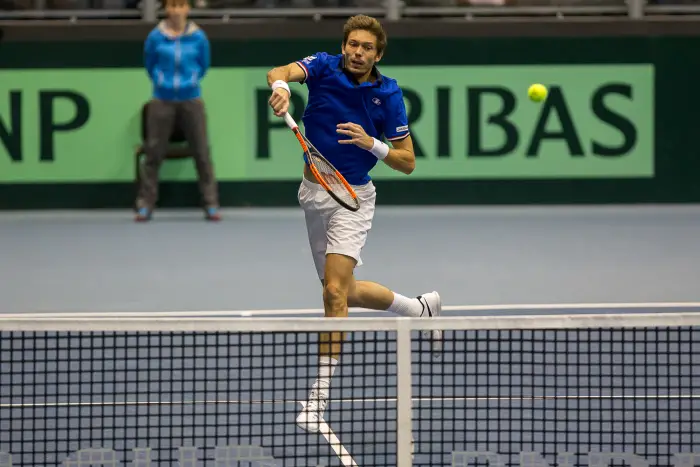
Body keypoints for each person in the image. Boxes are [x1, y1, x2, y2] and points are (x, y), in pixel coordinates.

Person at [266, 14, 443, 433]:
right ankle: (419, 309)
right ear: (344, 45)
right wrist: (280, 89)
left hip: (353, 199)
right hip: (313, 194)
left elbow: (408, 163)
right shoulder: (324, 67)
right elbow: (281, 71)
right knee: (343, 291)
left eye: (366, 47)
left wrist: (372, 144)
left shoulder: (388, 95)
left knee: (332, 294)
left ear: (378, 54)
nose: (358, 52)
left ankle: (319, 398)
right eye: (353, 44)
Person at [136, 0, 220, 222]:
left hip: (191, 99)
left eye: (180, 5)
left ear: (187, 9)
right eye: (171, 5)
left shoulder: (199, 37)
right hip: (161, 100)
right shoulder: (155, 37)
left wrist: (189, 82)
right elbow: (150, 63)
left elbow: (203, 65)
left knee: (201, 152)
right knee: (153, 153)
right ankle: (146, 204)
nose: (175, 10)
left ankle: (211, 203)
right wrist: (161, 82)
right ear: (166, 9)